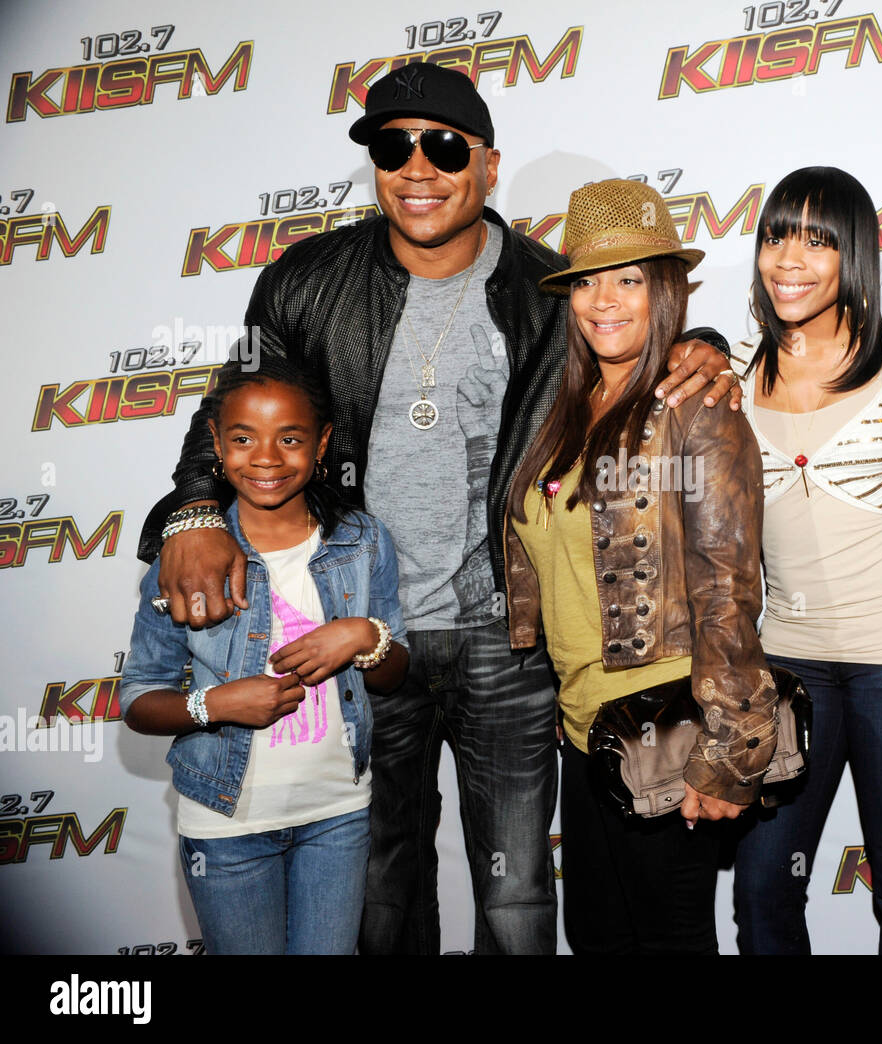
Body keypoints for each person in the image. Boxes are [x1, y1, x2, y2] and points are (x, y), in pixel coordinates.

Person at [135, 63, 740, 955]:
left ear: (488, 166)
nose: (417, 167)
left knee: (517, 893)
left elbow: (633, 339)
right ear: (375, 165)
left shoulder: (549, 289)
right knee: (379, 890)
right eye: (392, 146)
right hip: (362, 633)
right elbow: (235, 401)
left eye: (444, 147)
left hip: (506, 638)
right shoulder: (306, 281)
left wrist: (704, 343)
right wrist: (190, 513)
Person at [503, 179, 775, 955]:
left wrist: (729, 750)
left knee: (667, 942)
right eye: (587, 281)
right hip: (588, 730)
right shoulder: (567, 405)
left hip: (672, 732)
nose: (604, 300)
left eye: (629, 279)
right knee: (599, 938)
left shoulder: (697, 405)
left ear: (666, 289)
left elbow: (729, 585)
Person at [119, 357, 409, 954]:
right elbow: (138, 701)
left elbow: (393, 675)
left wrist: (362, 635)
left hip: (338, 814)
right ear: (216, 444)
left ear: (322, 443)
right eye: (244, 438)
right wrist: (216, 704)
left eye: (291, 438)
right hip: (226, 826)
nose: (268, 458)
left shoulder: (362, 540)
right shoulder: (186, 561)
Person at [728, 167, 882, 954]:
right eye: (777, 235)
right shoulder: (726, 382)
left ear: (855, 254)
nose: (790, 258)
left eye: (818, 240)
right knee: (762, 893)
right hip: (785, 670)